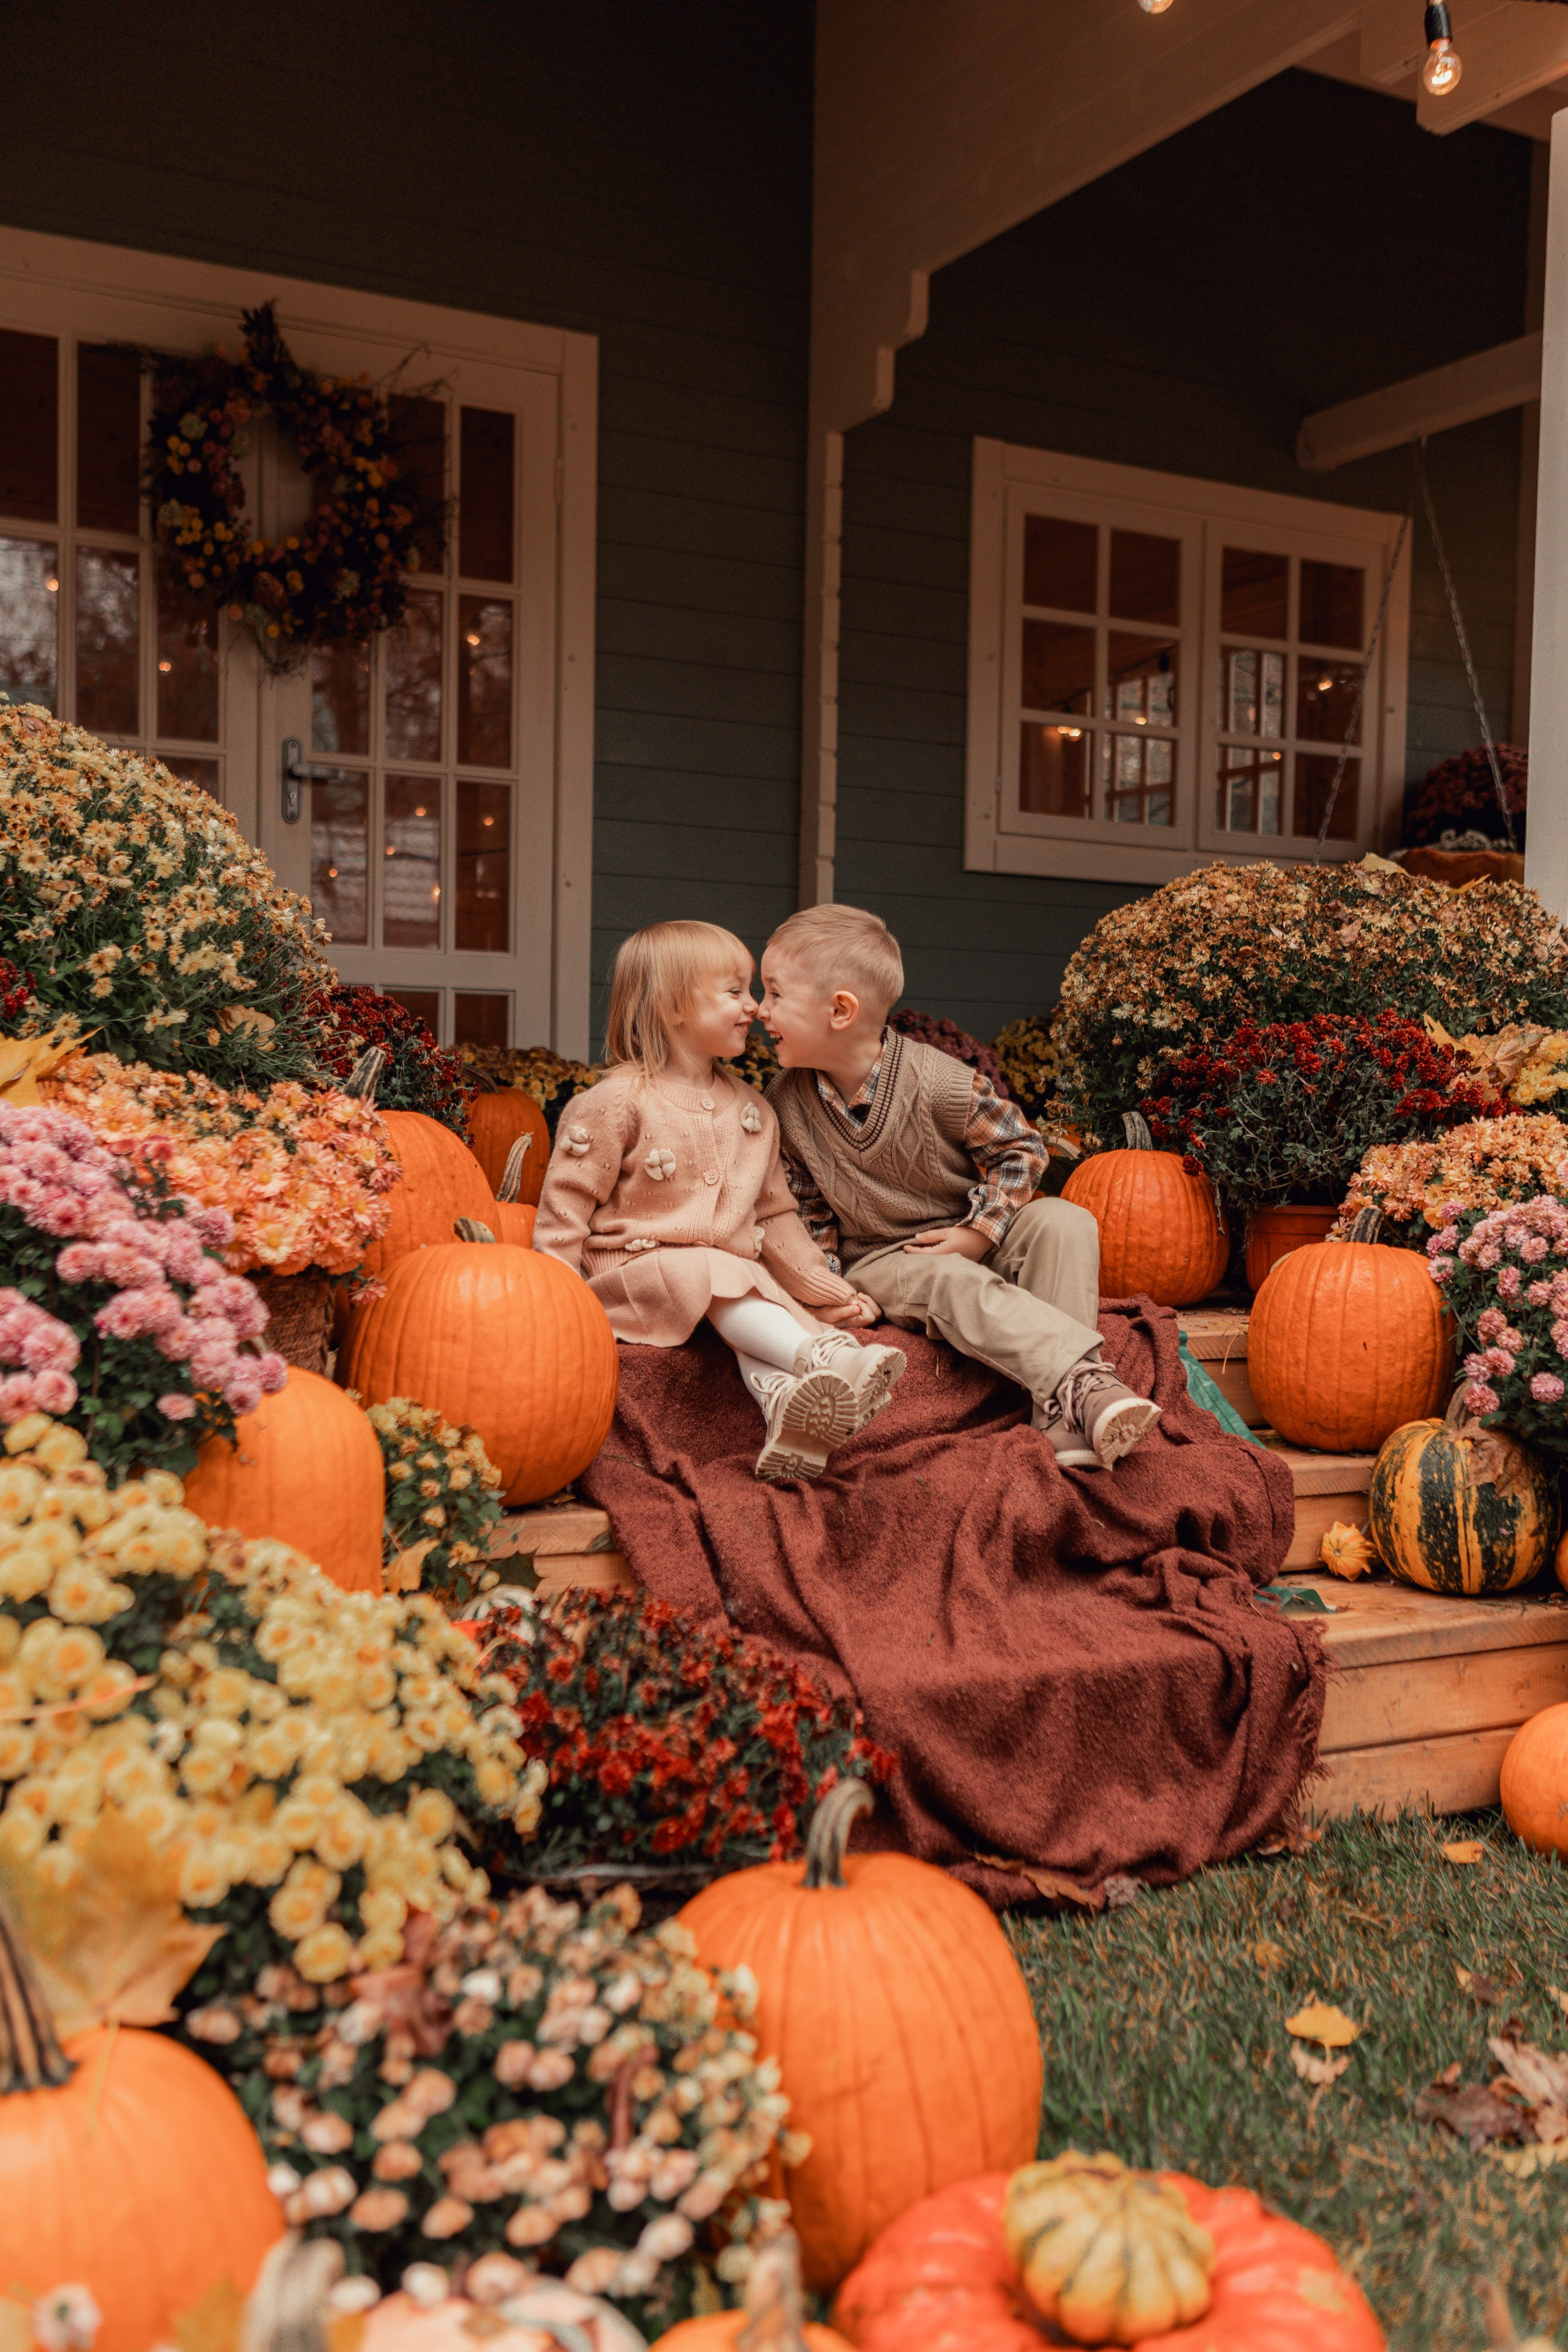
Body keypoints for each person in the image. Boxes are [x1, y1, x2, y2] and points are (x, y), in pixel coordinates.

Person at [760, 903, 1159, 1471]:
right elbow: (808, 1216)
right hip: (879, 1260)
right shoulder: (785, 1106)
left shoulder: (942, 1082)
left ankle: (1057, 1416)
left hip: (961, 1234)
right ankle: (1084, 1383)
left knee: (1065, 1221)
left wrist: (978, 1233)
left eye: (775, 994)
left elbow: (1022, 1151)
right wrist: (828, 1297)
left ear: (840, 1010)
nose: (760, 1009)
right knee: (947, 1276)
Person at [533, 919, 907, 1483]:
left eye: (751, 990)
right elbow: (565, 1208)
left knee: (736, 1278)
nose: (754, 1007)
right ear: (673, 1007)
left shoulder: (753, 1110)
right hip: (629, 1278)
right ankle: (824, 1357)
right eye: (735, 991)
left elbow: (774, 1216)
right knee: (720, 1274)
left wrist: (826, 1291)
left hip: (722, 1281)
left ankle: (783, 1403)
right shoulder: (615, 1103)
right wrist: (556, 1306)